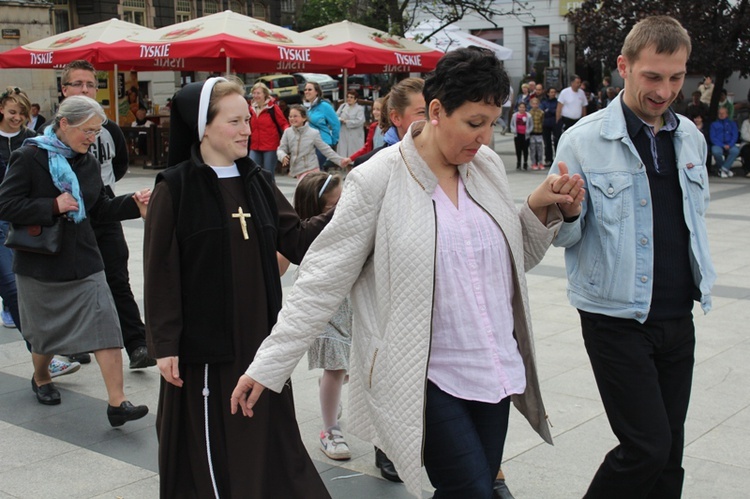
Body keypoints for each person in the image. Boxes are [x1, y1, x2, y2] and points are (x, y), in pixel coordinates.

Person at [231, 47, 585, 499]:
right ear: (436, 111)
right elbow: (320, 279)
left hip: (494, 365)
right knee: (473, 490)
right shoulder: (378, 178)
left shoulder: (487, 167)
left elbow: (509, 264)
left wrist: (541, 209)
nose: (484, 137)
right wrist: (268, 365)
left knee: (469, 490)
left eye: (492, 122)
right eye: (474, 123)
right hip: (424, 375)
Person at [550, 16, 716, 498]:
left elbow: (692, 220)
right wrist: (569, 213)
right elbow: (564, 239)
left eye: (676, 77)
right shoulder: (583, 139)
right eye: (653, 76)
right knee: (646, 446)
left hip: (677, 315)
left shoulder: (690, 137)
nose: (665, 90)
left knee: (670, 454)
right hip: (615, 317)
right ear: (624, 67)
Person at [144, 76, 333, 498]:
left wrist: (352, 205)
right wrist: (164, 342)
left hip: (260, 338)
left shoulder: (256, 180)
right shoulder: (175, 186)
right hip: (208, 346)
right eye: (234, 121)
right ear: (203, 127)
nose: (247, 129)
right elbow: (160, 270)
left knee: (266, 433)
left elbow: (298, 241)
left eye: (247, 119)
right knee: (217, 440)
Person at [0, 95, 150, 425]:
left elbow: (98, 210)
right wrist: (51, 207)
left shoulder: (88, 162)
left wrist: (133, 204)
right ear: (64, 124)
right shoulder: (29, 156)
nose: (92, 138)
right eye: (88, 130)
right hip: (40, 262)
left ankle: (118, 403)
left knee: (106, 325)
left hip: (84, 259)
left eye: (96, 132)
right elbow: (6, 205)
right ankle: (41, 377)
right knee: (43, 336)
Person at [59, 60, 153, 369]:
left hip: (104, 205)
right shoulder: (52, 129)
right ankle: (72, 344)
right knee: (71, 283)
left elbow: (121, 163)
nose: (85, 89)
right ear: (64, 90)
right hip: (67, 213)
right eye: (78, 84)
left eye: (90, 84)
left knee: (117, 277)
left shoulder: (109, 128)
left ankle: (137, 344)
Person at [0, 86, 80, 377]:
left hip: (19, 223)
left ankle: (44, 357)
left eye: (22, 114)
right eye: (12, 113)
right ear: (1, 110)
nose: (17, 118)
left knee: (16, 289)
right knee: (12, 288)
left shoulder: (31, 141)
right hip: (4, 216)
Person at [288, 172, 353, 461]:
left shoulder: (353, 226)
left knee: (345, 366)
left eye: (343, 203)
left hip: (351, 302)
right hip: (323, 304)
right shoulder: (308, 233)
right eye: (331, 208)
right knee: (336, 366)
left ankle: (331, 391)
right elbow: (280, 260)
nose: (339, 212)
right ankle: (330, 430)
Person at [277, 104, 349, 180]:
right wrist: (282, 156)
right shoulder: (288, 132)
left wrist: (340, 161)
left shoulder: (313, 133)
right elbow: (281, 149)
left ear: (304, 118)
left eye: (295, 116)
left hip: (311, 170)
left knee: (303, 190)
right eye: (290, 116)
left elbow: (325, 149)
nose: (292, 119)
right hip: (297, 170)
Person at [249, 81, 289, 180]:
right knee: (252, 172)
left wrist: (288, 134)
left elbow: (283, 123)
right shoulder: (250, 109)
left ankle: (272, 194)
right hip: (254, 145)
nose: (255, 95)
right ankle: (257, 194)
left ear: (265, 94)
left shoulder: (273, 108)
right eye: (254, 93)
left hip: (270, 146)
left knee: (268, 174)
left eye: (258, 93)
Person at [303, 81, 340, 168]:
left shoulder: (324, 106)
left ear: (316, 92)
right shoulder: (309, 107)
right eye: (305, 90)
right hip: (311, 143)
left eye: (309, 89)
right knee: (314, 172)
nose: (306, 92)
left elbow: (336, 124)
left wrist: (334, 141)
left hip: (323, 142)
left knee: (314, 169)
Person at [349, 97, 385, 163]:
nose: (374, 112)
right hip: (373, 161)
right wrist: (350, 159)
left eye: (378, 110)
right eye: (374, 109)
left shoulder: (390, 129)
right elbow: (367, 147)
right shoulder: (373, 127)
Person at [710, 105, 740, 178]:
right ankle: (725, 169)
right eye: (720, 113)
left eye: (723, 113)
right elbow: (713, 137)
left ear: (727, 114)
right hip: (718, 144)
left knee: (735, 151)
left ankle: (723, 169)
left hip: (730, 144)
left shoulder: (732, 123)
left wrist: (730, 144)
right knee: (716, 152)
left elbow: (735, 135)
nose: (721, 115)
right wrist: (722, 145)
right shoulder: (714, 124)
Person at [335, 89, 366, 158]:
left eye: (351, 97)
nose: (349, 99)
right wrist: (339, 119)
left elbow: (360, 121)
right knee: (343, 153)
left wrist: (347, 122)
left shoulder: (359, 109)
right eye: (348, 97)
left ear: (355, 99)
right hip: (344, 133)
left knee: (354, 153)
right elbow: (336, 115)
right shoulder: (343, 106)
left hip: (355, 135)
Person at [540, 87, 558, 167]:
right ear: (548, 93)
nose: (553, 93)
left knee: (556, 141)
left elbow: (556, 111)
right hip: (546, 123)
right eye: (551, 92)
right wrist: (550, 111)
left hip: (555, 123)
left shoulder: (557, 102)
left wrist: (549, 110)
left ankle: (557, 158)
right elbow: (542, 111)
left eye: (554, 92)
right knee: (547, 142)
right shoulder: (544, 101)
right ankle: (548, 159)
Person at [510, 101, 531, 170]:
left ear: (525, 108)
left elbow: (531, 125)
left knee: (525, 149)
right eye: (520, 107)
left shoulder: (528, 116)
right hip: (517, 134)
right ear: (518, 108)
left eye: (523, 107)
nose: (522, 109)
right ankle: (518, 162)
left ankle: (525, 162)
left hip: (525, 135)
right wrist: (514, 130)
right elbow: (512, 124)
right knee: (518, 149)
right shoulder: (515, 115)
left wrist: (528, 131)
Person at [528, 97, 545, 170]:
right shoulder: (529, 113)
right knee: (533, 149)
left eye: (536, 103)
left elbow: (542, 121)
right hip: (532, 133)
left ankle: (540, 162)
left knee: (540, 149)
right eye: (533, 103)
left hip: (539, 132)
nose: (535, 105)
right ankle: (533, 163)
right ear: (531, 104)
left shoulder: (541, 112)